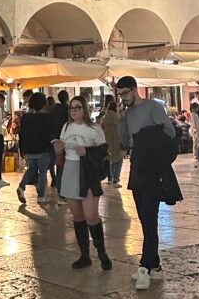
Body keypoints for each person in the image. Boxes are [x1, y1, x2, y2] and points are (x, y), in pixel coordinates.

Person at [116, 76, 180, 290]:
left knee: (150, 217)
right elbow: (124, 142)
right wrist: (121, 120)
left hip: (152, 166)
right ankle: (156, 267)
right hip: (137, 165)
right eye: (120, 95)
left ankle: (145, 267)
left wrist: (148, 138)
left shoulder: (152, 107)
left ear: (135, 90)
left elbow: (170, 133)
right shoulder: (128, 113)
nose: (123, 98)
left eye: (126, 93)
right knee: (144, 218)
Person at [52, 95, 111, 271]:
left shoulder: (94, 128)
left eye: (78, 107)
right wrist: (58, 149)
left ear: (85, 109)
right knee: (77, 215)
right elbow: (60, 151)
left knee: (91, 215)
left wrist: (87, 151)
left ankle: (102, 253)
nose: (75, 110)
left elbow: (103, 151)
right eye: (72, 108)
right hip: (70, 169)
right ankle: (84, 255)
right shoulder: (66, 127)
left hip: (87, 172)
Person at [17, 91, 53, 204]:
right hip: (42, 149)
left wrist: (22, 149)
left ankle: (21, 187)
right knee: (42, 172)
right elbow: (48, 134)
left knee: (32, 169)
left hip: (29, 150)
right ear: (43, 104)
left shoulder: (25, 117)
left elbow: (21, 134)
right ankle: (41, 196)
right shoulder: (46, 118)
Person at [100, 99, 124, 186]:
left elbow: (101, 129)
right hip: (117, 141)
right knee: (119, 160)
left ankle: (110, 178)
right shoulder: (118, 117)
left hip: (107, 142)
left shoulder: (105, 118)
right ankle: (115, 179)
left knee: (110, 160)